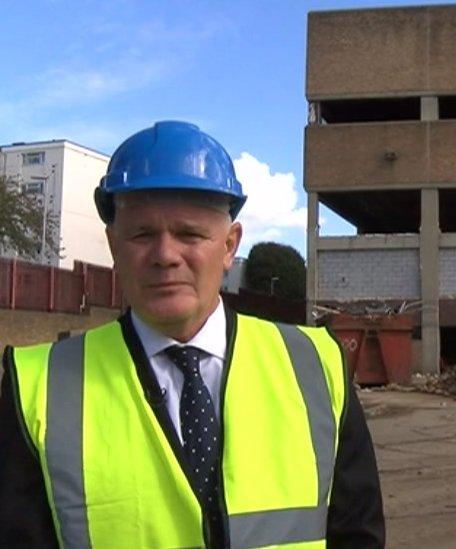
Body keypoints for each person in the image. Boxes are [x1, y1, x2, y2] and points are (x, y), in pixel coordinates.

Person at [0, 121, 385, 548]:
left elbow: (357, 536)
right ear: (114, 245)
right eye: (142, 234)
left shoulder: (316, 365)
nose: (165, 255)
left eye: (189, 234)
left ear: (229, 245)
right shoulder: (38, 385)